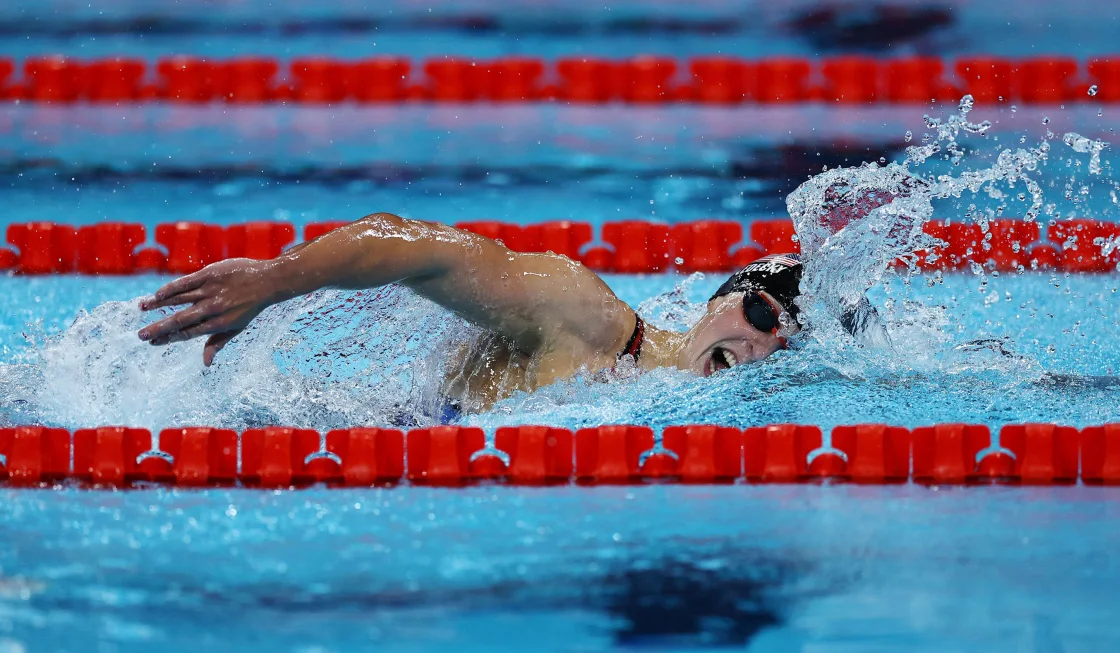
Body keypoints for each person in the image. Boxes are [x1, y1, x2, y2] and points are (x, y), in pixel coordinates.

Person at [137, 213, 807, 413]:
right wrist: (274, 280)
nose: (758, 344)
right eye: (761, 313)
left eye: (783, 343)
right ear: (723, 296)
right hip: (336, 441)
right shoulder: (586, 316)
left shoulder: (701, 418)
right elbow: (418, 247)